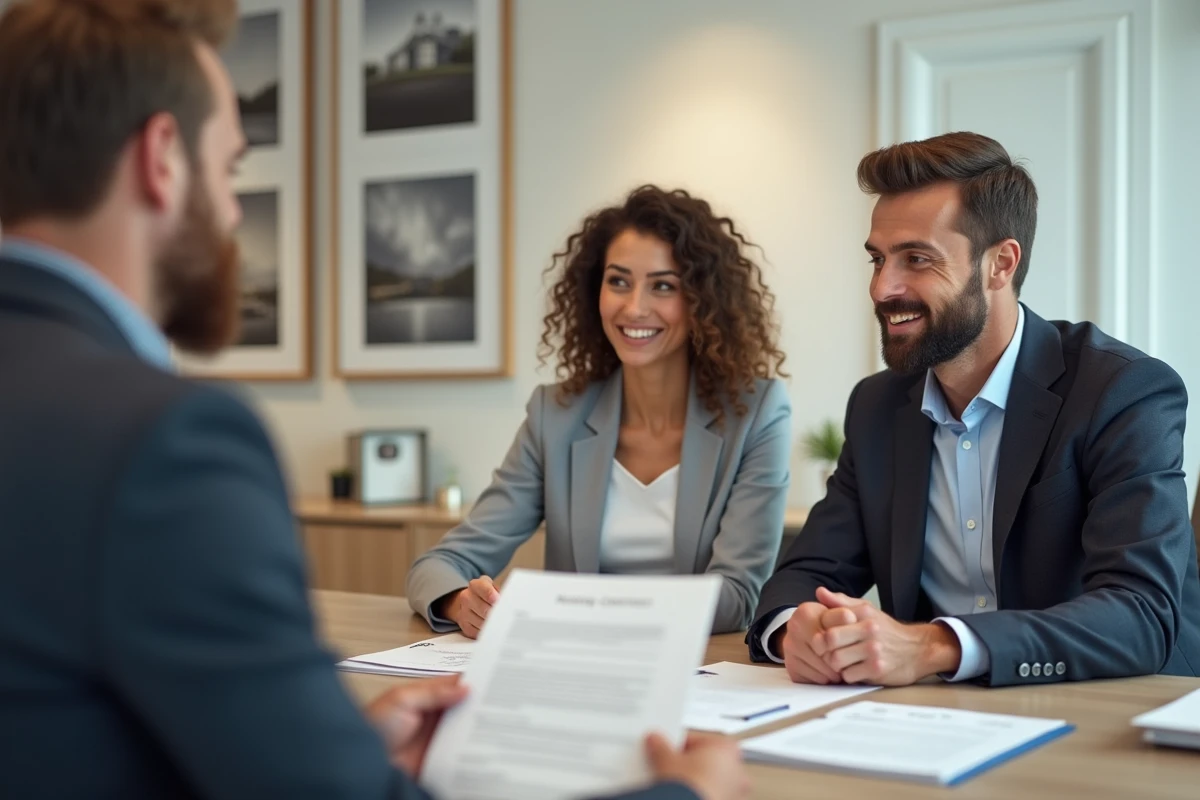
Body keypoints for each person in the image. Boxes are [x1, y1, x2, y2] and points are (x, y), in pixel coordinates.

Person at [0, 2, 749, 798]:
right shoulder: (163, 442)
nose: (229, 214)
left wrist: (344, 751)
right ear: (160, 159)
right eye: (228, 171)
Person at [748, 131, 1200, 688]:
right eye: (878, 259)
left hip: (1112, 709)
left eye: (916, 259)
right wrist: (798, 627)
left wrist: (936, 644)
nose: (883, 287)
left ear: (1000, 265)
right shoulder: (877, 406)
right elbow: (807, 573)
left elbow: (1141, 614)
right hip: (939, 719)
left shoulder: (1123, 391)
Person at [407, 185, 792, 638]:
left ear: (703, 301)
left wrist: (571, 607)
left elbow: (736, 596)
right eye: (619, 281)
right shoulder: (556, 415)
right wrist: (458, 600)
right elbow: (438, 566)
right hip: (577, 671)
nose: (634, 307)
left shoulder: (757, 413)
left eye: (663, 285)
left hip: (698, 672)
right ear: (596, 290)